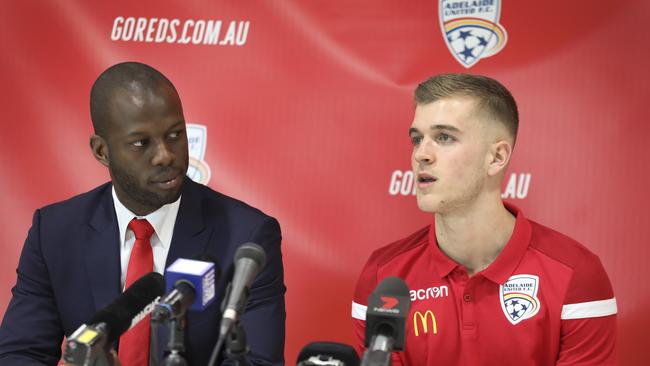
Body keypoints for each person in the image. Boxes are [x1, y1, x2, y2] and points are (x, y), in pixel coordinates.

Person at [0, 62, 286, 366]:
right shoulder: (55, 232)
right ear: (101, 151)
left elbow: (258, 363)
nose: (165, 155)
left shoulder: (247, 239)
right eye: (141, 143)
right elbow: (20, 354)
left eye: (175, 134)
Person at [352, 74, 617, 365]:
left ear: (497, 157)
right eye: (417, 139)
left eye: (444, 137)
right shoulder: (384, 279)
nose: (421, 155)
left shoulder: (575, 275)